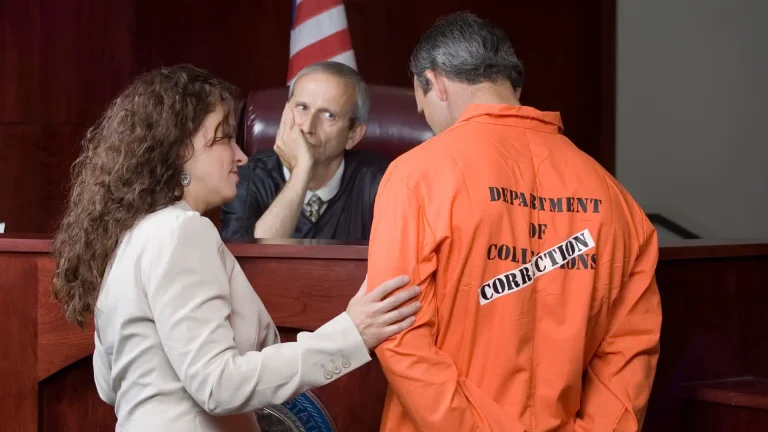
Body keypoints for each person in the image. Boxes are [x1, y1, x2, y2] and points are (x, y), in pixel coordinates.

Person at [51, 64, 421, 432]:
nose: (241, 156)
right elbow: (218, 384)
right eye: (225, 138)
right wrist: (351, 333)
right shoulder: (181, 231)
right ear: (181, 151)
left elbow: (109, 383)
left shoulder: (130, 232)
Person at [366, 12, 662, 432]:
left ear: (433, 82)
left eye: (424, 109)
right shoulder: (615, 197)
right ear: (513, 87)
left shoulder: (415, 176)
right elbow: (630, 350)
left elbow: (398, 333)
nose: (429, 125)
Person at [219, 61, 388, 241]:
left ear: (353, 135)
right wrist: (301, 172)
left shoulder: (383, 181)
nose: (308, 127)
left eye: (329, 115)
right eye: (303, 108)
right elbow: (250, 263)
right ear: (285, 113)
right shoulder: (245, 176)